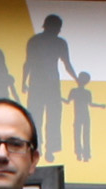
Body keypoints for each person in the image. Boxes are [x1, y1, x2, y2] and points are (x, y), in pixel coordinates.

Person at [22, 15, 79, 160]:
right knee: (45, 116)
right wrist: (76, 78)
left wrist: (76, 78)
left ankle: (45, 148)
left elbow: (28, 63)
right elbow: (29, 63)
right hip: (44, 83)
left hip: (43, 83)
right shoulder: (53, 42)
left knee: (45, 116)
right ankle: (41, 148)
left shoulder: (39, 41)